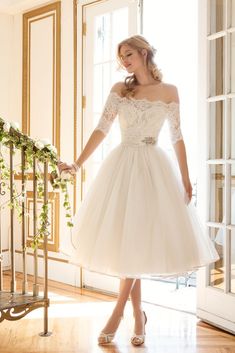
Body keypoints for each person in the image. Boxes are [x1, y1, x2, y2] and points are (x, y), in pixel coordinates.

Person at [58, 35, 219, 346]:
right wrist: (77, 164)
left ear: (144, 53)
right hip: (122, 166)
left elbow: (177, 137)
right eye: (121, 57)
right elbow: (101, 129)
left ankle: (120, 313)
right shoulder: (120, 90)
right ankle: (137, 316)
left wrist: (185, 178)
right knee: (129, 244)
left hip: (154, 168)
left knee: (137, 242)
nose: (124, 61)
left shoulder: (170, 91)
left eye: (128, 54)